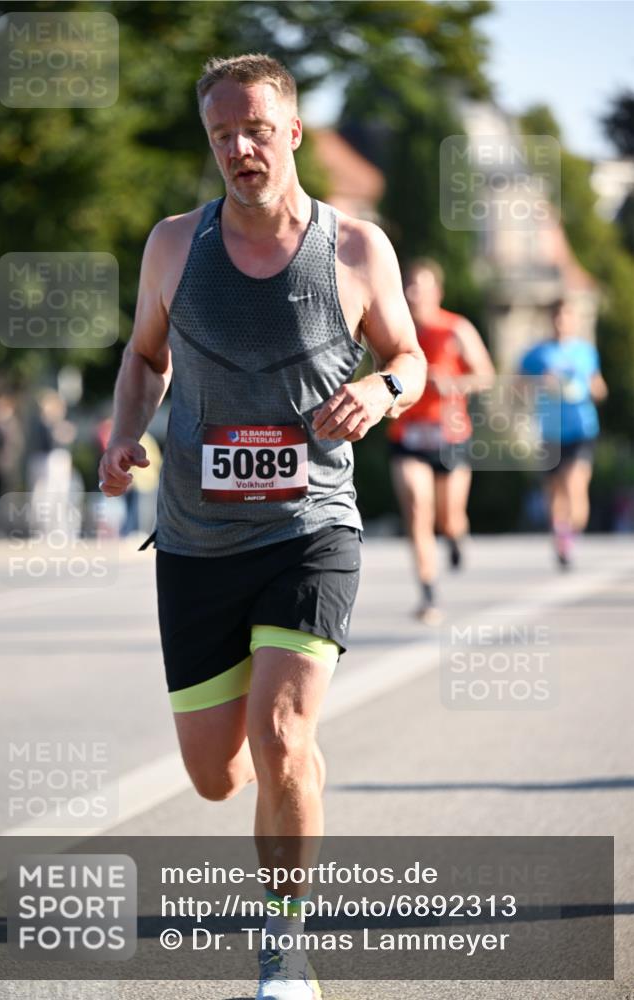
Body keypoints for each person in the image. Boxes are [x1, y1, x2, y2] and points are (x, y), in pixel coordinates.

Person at [98, 54, 426, 1000]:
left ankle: (285, 944)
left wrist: (382, 388)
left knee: (282, 734)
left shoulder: (356, 248)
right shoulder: (174, 245)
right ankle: (281, 773)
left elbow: (407, 357)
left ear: (291, 132)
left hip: (310, 529)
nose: (240, 148)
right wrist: (123, 433)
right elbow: (145, 358)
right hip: (196, 540)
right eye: (222, 135)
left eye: (255, 130)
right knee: (216, 775)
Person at [387, 258, 494, 624]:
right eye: (409, 286)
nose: (414, 293)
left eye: (421, 286)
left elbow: (486, 376)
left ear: (438, 292)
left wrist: (453, 384)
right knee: (418, 509)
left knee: (449, 518)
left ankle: (455, 537)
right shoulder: (396, 331)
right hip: (408, 435)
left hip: (450, 435)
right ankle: (428, 592)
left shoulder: (456, 328)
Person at [518, 298, 607, 569]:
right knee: (554, 493)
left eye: (566, 317)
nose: (561, 322)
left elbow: (599, 389)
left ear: (574, 320)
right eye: (556, 317)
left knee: (574, 487)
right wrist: (539, 383)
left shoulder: (585, 352)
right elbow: (517, 387)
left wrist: (586, 389)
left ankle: (570, 534)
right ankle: (561, 541)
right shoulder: (536, 354)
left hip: (581, 429)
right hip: (550, 431)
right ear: (550, 320)